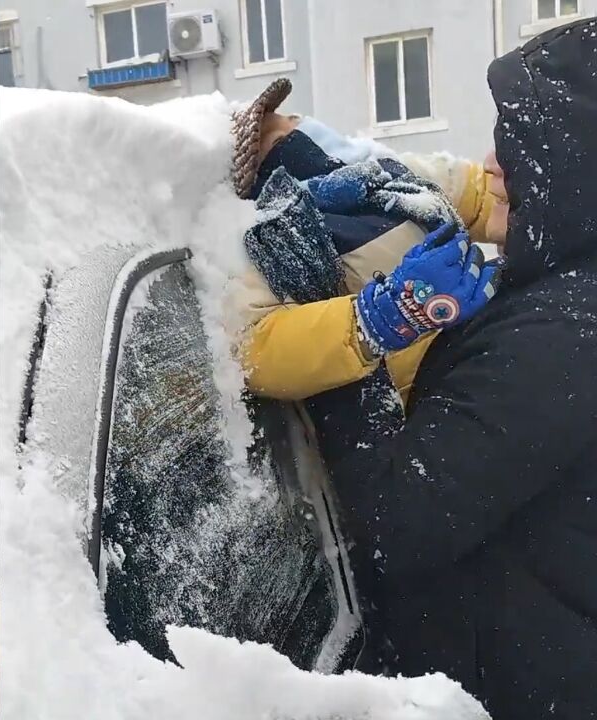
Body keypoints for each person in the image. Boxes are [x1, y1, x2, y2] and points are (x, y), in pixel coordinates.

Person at [314, 18, 597, 718]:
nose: (493, 161)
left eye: (520, 140)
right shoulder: (560, 291)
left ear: (577, 160)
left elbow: (396, 524)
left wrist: (345, 331)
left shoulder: (567, 333)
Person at [228, 79, 495, 405]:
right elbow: (256, 350)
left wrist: (536, 223)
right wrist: (377, 319)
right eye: (278, 138)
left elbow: (483, 193)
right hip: (430, 402)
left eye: (291, 121)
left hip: (491, 342)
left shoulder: (384, 176)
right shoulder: (274, 244)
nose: (300, 132)